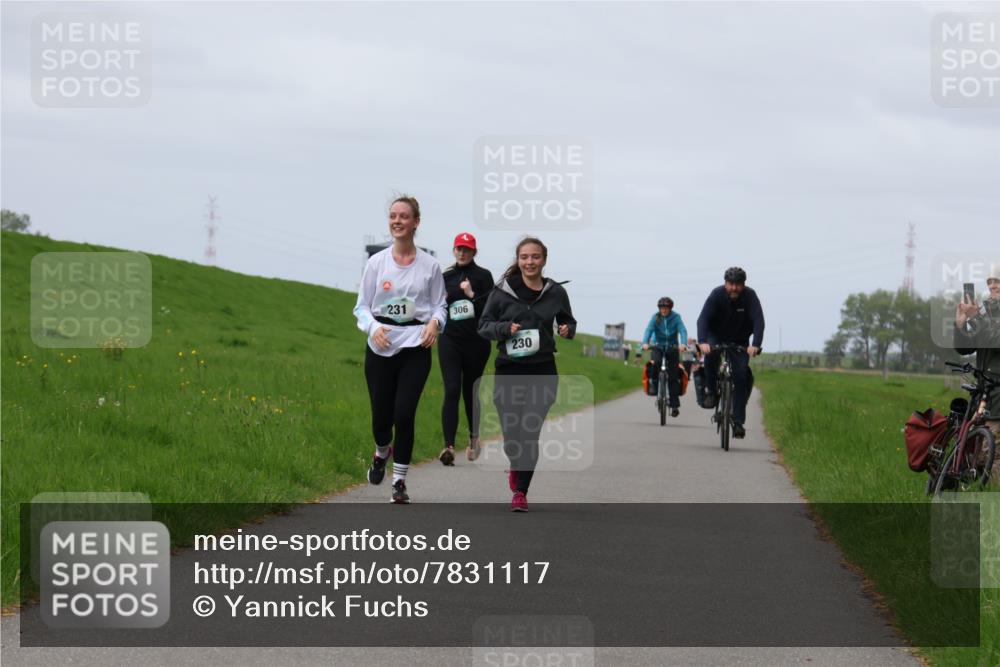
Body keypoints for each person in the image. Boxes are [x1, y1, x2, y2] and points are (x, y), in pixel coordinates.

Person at [353, 195, 447, 504]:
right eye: (393, 216)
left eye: (404, 216)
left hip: (416, 345)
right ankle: (382, 452)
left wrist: (435, 323)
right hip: (381, 344)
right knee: (382, 418)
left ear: (416, 222)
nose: (397, 221)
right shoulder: (376, 263)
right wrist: (374, 327)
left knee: (404, 413)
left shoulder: (430, 266)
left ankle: (399, 482)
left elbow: (439, 306)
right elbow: (362, 307)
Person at [478, 237, 576, 512]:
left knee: (529, 432)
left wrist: (568, 329)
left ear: (544, 259)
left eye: (535, 257)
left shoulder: (555, 292)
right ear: (518, 260)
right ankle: (514, 462)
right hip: (508, 369)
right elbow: (483, 326)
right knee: (512, 434)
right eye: (524, 257)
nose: (529, 262)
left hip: (543, 369)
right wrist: (504, 328)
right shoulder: (501, 292)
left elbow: (568, 320)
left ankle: (521, 492)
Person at [438, 232, 494, 465]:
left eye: (467, 249)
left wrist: (472, 295)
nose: (462, 253)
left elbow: (492, 311)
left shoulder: (484, 276)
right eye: (459, 249)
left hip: (477, 342)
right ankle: (448, 447)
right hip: (450, 340)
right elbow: (437, 306)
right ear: (454, 250)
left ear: (474, 252)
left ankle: (474, 438)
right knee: (452, 389)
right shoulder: (445, 276)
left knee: (470, 392)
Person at [697, 267, 764, 439]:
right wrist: (703, 341)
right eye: (731, 284)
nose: (734, 288)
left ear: (743, 285)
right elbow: (703, 319)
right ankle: (711, 392)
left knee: (741, 376)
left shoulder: (750, 296)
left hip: (740, 340)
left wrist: (755, 344)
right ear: (725, 283)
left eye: (738, 284)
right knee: (710, 357)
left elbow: (758, 321)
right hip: (716, 336)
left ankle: (739, 422)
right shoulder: (716, 294)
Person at [954, 270, 1000, 482]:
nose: (993, 286)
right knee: (978, 455)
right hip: (984, 395)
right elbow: (965, 348)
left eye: (998, 282)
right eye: (990, 281)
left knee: (995, 455)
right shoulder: (987, 312)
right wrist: (961, 324)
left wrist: (976, 317)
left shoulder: (984, 316)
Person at [641, 297, 688, 418]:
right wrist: (645, 342)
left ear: (670, 309)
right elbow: (648, 330)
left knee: (673, 376)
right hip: (658, 346)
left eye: (666, 308)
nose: (664, 310)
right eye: (662, 308)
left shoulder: (676, 317)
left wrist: (683, 343)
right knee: (656, 363)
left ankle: (674, 405)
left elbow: (682, 330)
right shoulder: (655, 317)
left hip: (672, 348)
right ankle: (655, 385)